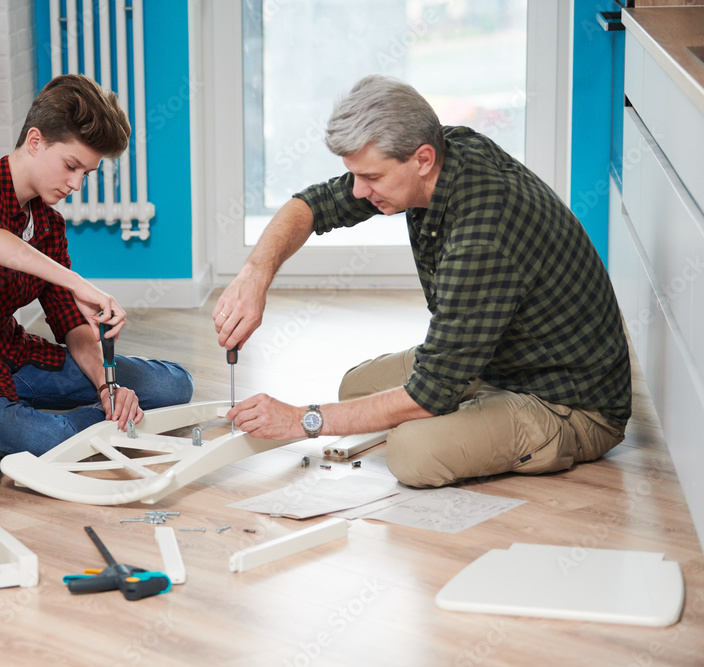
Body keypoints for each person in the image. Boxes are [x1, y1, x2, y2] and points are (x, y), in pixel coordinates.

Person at [215, 74, 630, 488]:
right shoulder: (441, 153)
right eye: (355, 175)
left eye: (371, 177)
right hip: (497, 358)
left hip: (568, 401)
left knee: (413, 452)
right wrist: (254, 277)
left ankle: (486, 415)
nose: (357, 191)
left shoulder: (482, 234)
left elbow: (429, 393)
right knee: (354, 389)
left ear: (423, 160)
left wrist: (301, 420)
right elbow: (313, 205)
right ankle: (474, 407)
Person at [0, 74, 193, 457]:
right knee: (47, 441)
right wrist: (78, 283)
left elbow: (70, 323)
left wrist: (107, 387)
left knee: (173, 386)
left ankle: (94, 417)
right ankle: (84, 425)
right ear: (35, 141)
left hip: (14, 361)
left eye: (86, 173)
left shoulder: (48, 225)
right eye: (71, 166)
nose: (76, 184)